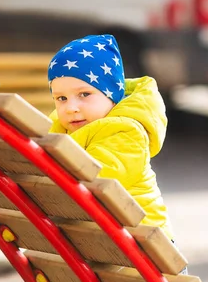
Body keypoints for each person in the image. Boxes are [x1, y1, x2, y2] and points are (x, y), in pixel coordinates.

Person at [47, 34, 175, 243]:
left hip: (148, 247)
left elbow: (97, 180)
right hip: (114, 241)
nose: (71, 108)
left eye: (84, 94)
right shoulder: (61, 129)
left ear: (112, 95)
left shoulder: (126, 132)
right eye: (61, 98)